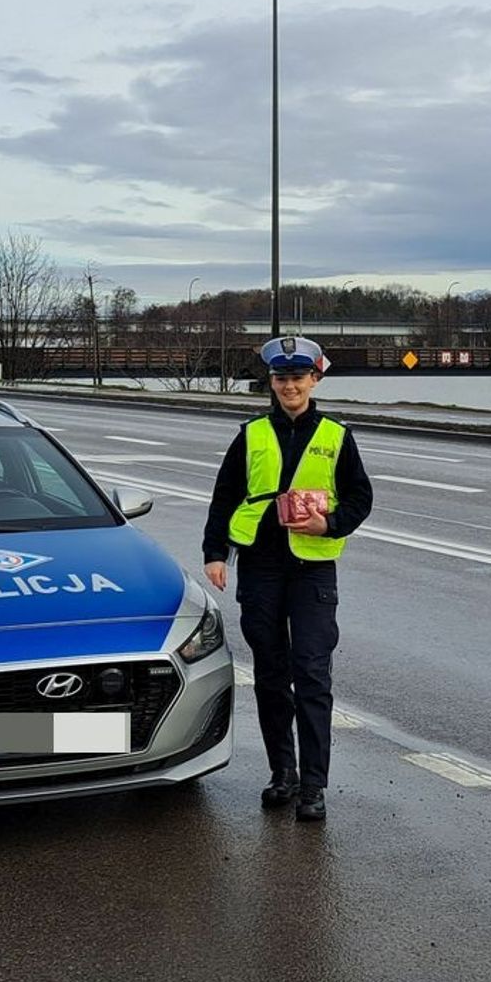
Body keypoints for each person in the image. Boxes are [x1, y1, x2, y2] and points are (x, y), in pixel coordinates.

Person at [202, 335, 373, 821]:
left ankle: (314, 787)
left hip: (312, 568)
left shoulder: (336, 436)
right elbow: (225, 496)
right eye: (281, 379)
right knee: (271, 675)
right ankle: (284, 774)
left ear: (314, 380)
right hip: (260, 566)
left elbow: (360, 498)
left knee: (312, 674)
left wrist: (329, 524)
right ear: (271, 383)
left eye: (298, 378)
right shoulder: (252, 434)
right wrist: (216, 553)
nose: (290, 386)